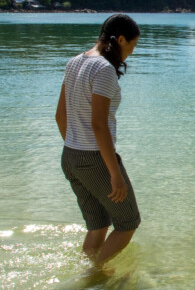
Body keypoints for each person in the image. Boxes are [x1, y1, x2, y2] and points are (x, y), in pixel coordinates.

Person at [55, 14, 142, 265]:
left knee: (98, 224)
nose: (131, 53)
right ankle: (93, 277)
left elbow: (60, 116)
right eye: (132, 46)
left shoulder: (74, 62)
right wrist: (114, 173)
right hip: (95, 159)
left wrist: (75, 149)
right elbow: (98, 124)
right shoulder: (104, 69)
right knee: (128, 222)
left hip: (70, 156)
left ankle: (88, 274)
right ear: (121, 39)